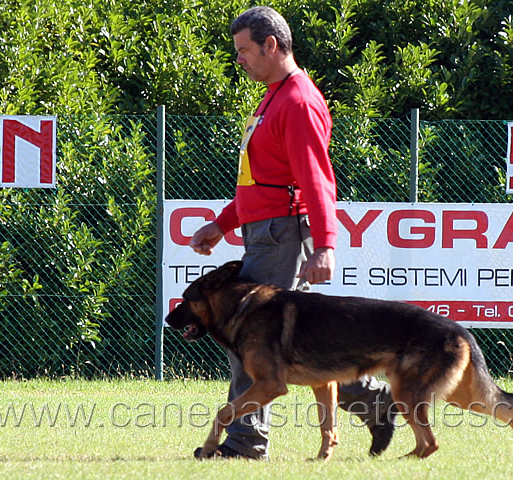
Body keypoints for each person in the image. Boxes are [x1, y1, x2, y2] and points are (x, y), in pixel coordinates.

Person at [189, 6, 395, 460]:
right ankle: (372, 397)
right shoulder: (272, 96)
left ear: (271, 45)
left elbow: (317, 180)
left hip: (285, 236)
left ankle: (245, 442)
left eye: (244, 50)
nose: (239, 59)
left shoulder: (297, 100)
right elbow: (258, 183)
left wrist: (325, 245)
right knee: (303, 342)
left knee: (250, 335)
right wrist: (222, 224)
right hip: (267, 231)